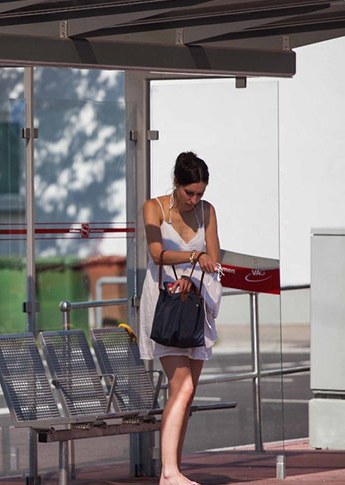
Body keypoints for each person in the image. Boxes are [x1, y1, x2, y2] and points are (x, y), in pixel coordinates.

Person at [139, 151, 222, 485]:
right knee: (182, 386)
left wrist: (199, 265)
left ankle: (173, 469)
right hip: (167, 304)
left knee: (185, 394)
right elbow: (156, 253)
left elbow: (213, 259)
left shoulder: (207, 211)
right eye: (190, 192)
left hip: (197, 303)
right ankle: (169, 472)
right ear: (176, 183)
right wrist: (192, 257)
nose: (194, 198)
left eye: (200, 192)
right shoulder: (154, 208)